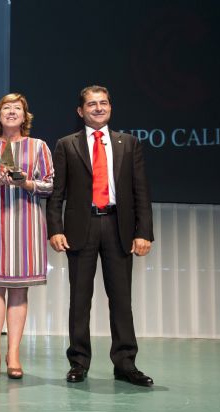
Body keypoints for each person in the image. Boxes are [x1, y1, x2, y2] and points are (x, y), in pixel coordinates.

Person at [46, 85, 154, 387]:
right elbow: (57, 193)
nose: (98, 108)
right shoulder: (67, 144)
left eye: (103, 103)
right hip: (82, 228)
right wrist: (55, 228)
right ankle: (78, 362)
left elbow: (141, 192)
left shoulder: (129, 143)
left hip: (118, 227)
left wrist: (143, 232)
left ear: (110, 108)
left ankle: (125, 364)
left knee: (121, 300)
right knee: (80, 300)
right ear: (81, 111)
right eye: (91, 104)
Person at [0, 93, 54, 379]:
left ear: (25, 116)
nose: (12, 112)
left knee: (19, 289)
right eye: (7, 108)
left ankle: (13, 353)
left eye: (17, 108)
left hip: (27, 224)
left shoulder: (39, 146)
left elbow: (51, 185)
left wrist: (26, 182)